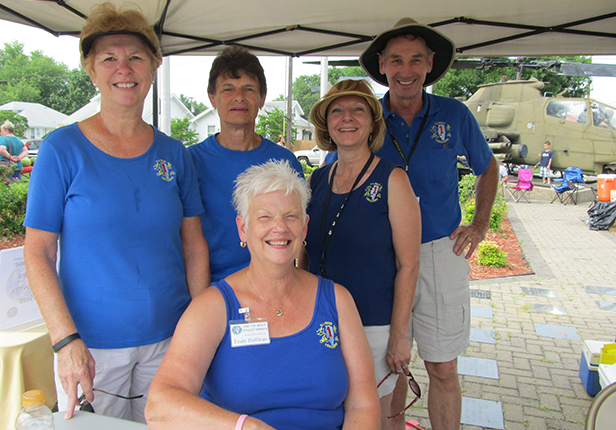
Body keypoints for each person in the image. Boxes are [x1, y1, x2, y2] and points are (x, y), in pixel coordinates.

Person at [23, 2, 210, 423]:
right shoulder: (61, 150)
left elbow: (194, 246)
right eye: (108, 58)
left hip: (170, 341)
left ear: (152, 68)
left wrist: (198, 327)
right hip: (90, 348)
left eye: (136, 57)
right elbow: (37, 253)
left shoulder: (174, 154)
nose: (123, 68)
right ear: (91, 71)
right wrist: (64, 340)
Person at [145, 160, 380, 430]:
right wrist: (246, 427)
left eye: (290, 216)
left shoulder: (337, 301)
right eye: (265, 217)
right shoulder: (213, 307)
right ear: (243, 228)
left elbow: (363, 405)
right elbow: (159, 407)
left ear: (304, 227)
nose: (279, 227)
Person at [359, 17, 499, 430]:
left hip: (440, 251)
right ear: (382, 64)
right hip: (383, 258)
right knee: (390, 369)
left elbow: (487, 168)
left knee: (442, 370)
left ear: (430, 63)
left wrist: (480, 224)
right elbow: (339, 175)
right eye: (397, 60)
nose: (406, 70)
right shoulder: (366, 116)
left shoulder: (453, 114)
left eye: (416, 60)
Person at [302, 79, 421, 429]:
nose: (347, 118)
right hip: (323, 322)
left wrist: (399, 334)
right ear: (327, 123)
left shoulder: (392, 179)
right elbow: (306, 257)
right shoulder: (317, 180)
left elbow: (409, 264)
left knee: (378, 419)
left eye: (357, 109)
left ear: (372, 121)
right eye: (337, 110)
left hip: (374, 325)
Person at [188, 46, 303, 282]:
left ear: (262, 99)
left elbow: (298, 236)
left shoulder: (285, 162)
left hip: (274, 289)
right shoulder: (191, 162)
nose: (238, 97)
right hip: (213, 290)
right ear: (212, 98)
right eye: (228, 89)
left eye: (248, 89)